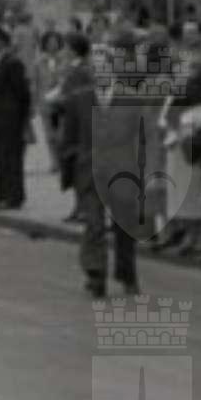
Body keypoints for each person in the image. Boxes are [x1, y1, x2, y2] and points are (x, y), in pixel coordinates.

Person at [56, 31, 139, 298]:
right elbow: (68, 138)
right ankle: (96, 274)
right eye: (96, 68)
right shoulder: (78, 99)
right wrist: (69, 168)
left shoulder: (130, 98)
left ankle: (126, 274)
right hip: (89, 170)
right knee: (93, 224)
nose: (100, 73)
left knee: (124, 227)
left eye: (105, 67)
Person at [0, 24, 33, 210]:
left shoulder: (13, 63)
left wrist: (22, 117)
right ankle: (1, 194)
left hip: (10, 119)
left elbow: (23, 93)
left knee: (11, 159)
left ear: (3, 42)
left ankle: (13, 197)